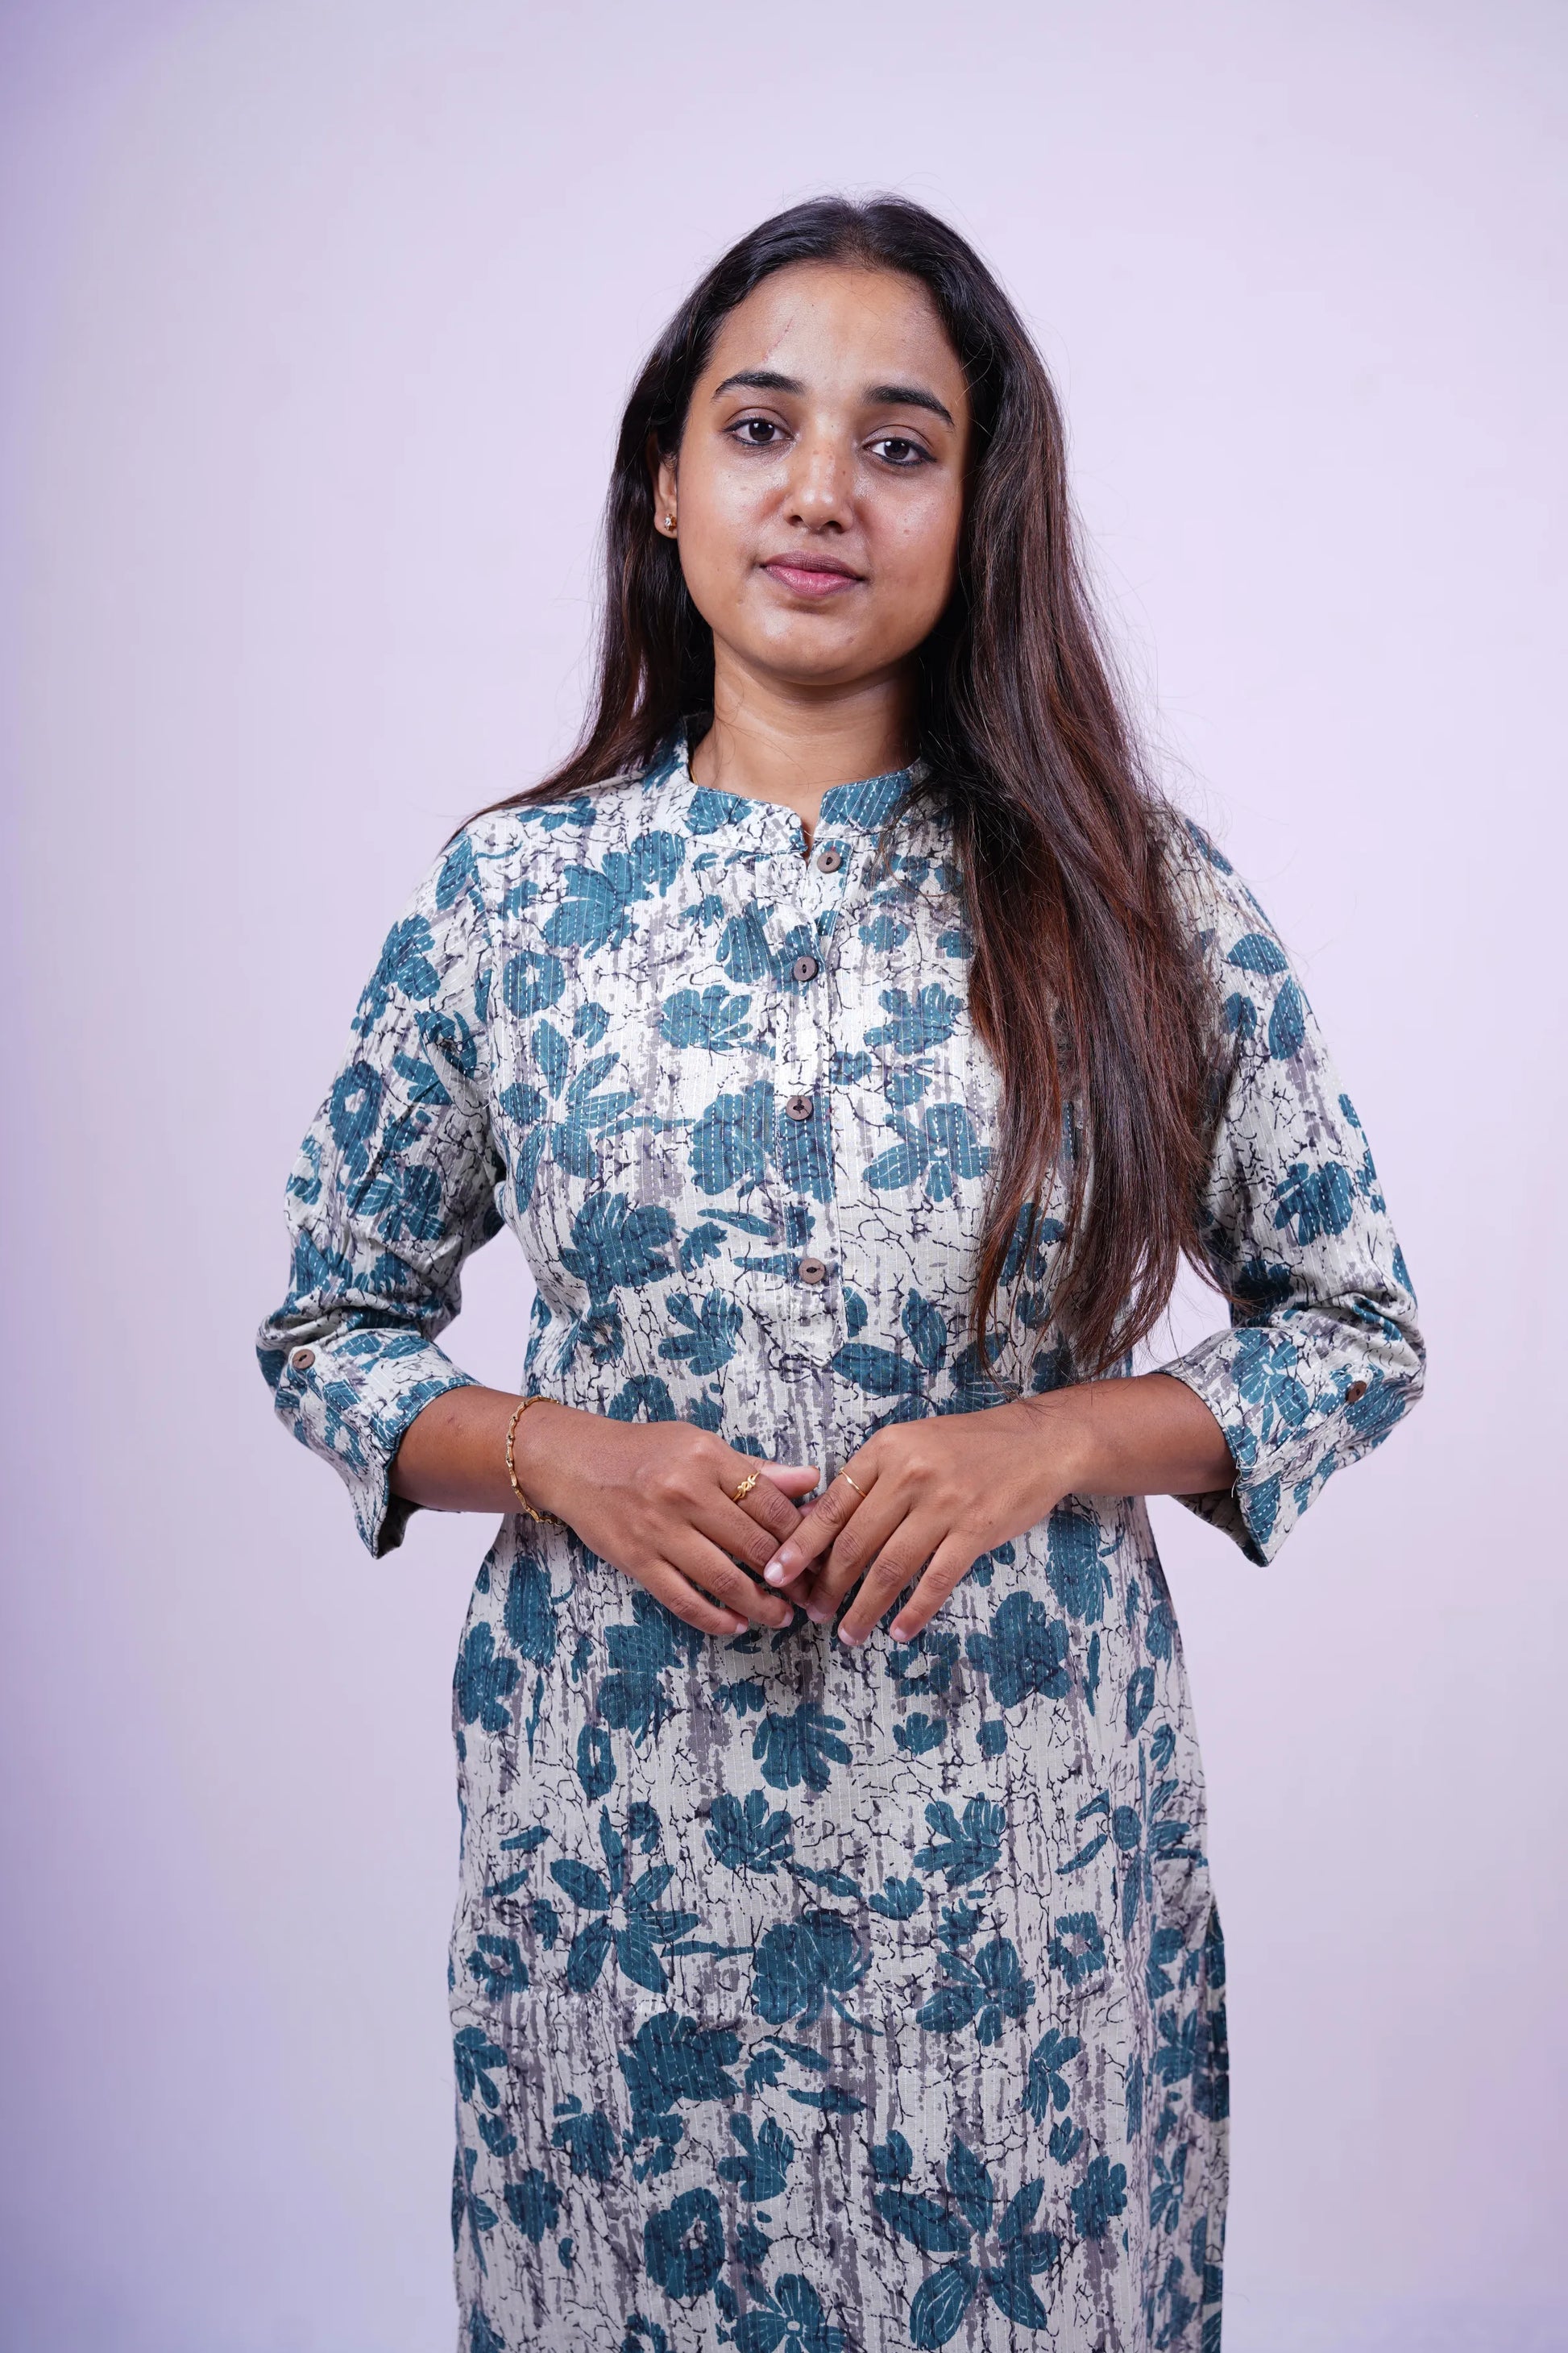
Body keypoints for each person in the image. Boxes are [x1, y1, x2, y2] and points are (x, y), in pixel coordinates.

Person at [257, 195, 1424, 2353]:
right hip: (613, 1863)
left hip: (1014, 1877)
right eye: (759, 426)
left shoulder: (1130, 897)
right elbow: (331, 1328)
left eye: (899, 445)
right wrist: (552, 1451)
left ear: (980, 514)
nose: (819, 492)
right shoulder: (511, 901)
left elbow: (1353, 1328)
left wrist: (1052, 1441)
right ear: (664, 484)